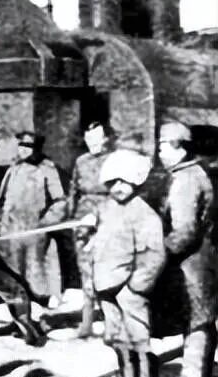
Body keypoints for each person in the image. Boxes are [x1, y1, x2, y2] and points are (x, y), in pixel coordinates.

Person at [85, 148, 166, 377]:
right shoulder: (108, 209)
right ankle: (126, 372)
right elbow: (101, 242)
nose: (117, 187)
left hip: (129, 290)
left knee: (138, 337)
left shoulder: (143, 213)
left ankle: (145, 372)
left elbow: (153, 254)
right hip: (106, 285)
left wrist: (135, 287)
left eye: (124, 181)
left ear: (136, 181)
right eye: (112, 182)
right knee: (117, 338)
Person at [156, 122, 217, 377]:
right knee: (201, 320)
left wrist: (158, 252)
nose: (160, 153)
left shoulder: (186, 180)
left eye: (163, 147)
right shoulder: (194, 173)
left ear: (180, 148)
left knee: (196, 322)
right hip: (203, 258)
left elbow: (185, 231)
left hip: (190, 263)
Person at [0, 131, 68, 310]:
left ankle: (43, 310)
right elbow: (1, 199)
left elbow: (60, 202)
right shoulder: (14, 168)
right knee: (14, 276)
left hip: (35, 233)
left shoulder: (47, 168)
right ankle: (20, 314)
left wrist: (45, 224)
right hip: (12, 233)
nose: (24, 150)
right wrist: (0, 219)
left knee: (37, 276)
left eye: (28, 146)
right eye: (21, 146)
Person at [69, 122, 114, 338]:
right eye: (89, 139)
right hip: (83, 222)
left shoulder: (114, 160)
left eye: (97, 138)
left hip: (107, 221)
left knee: (107, 271)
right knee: (85, 272)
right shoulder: (81, 161)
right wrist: (73, 217)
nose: (93, 143)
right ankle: (86, 323)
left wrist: (100, 216)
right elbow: (73, 191)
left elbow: (119, 194)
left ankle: (111, 324)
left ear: (106, 139)